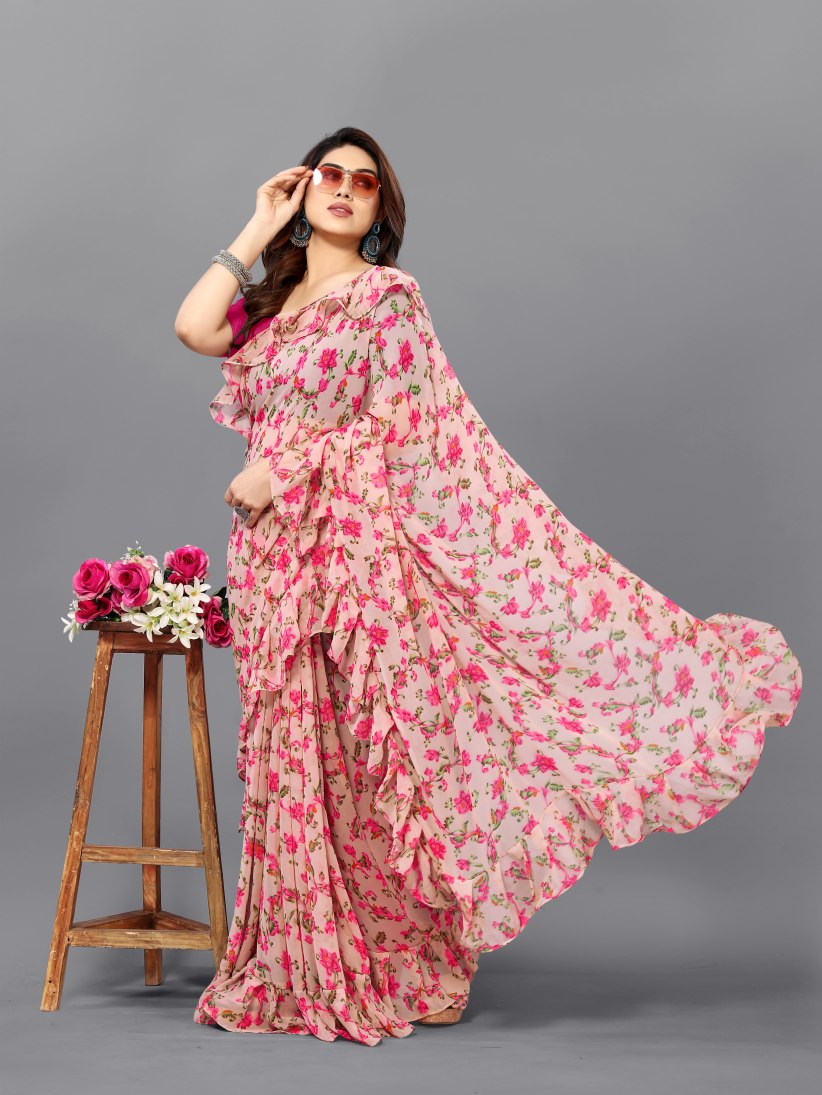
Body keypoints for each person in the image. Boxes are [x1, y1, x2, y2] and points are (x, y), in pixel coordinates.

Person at [174, 126, 803, 1046]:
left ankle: (404, 958)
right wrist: (258, 222)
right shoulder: (275, 301)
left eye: (363, 182)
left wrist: (288, 467)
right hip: (275, 559)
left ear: (381, 209)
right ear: (303, 193)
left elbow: (406, 428)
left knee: (369, 756)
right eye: (328, 176)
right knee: (292, 753)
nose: (343, 189)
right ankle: (301, 953)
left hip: (353, 559)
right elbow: (194, 327)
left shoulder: (386, 299)